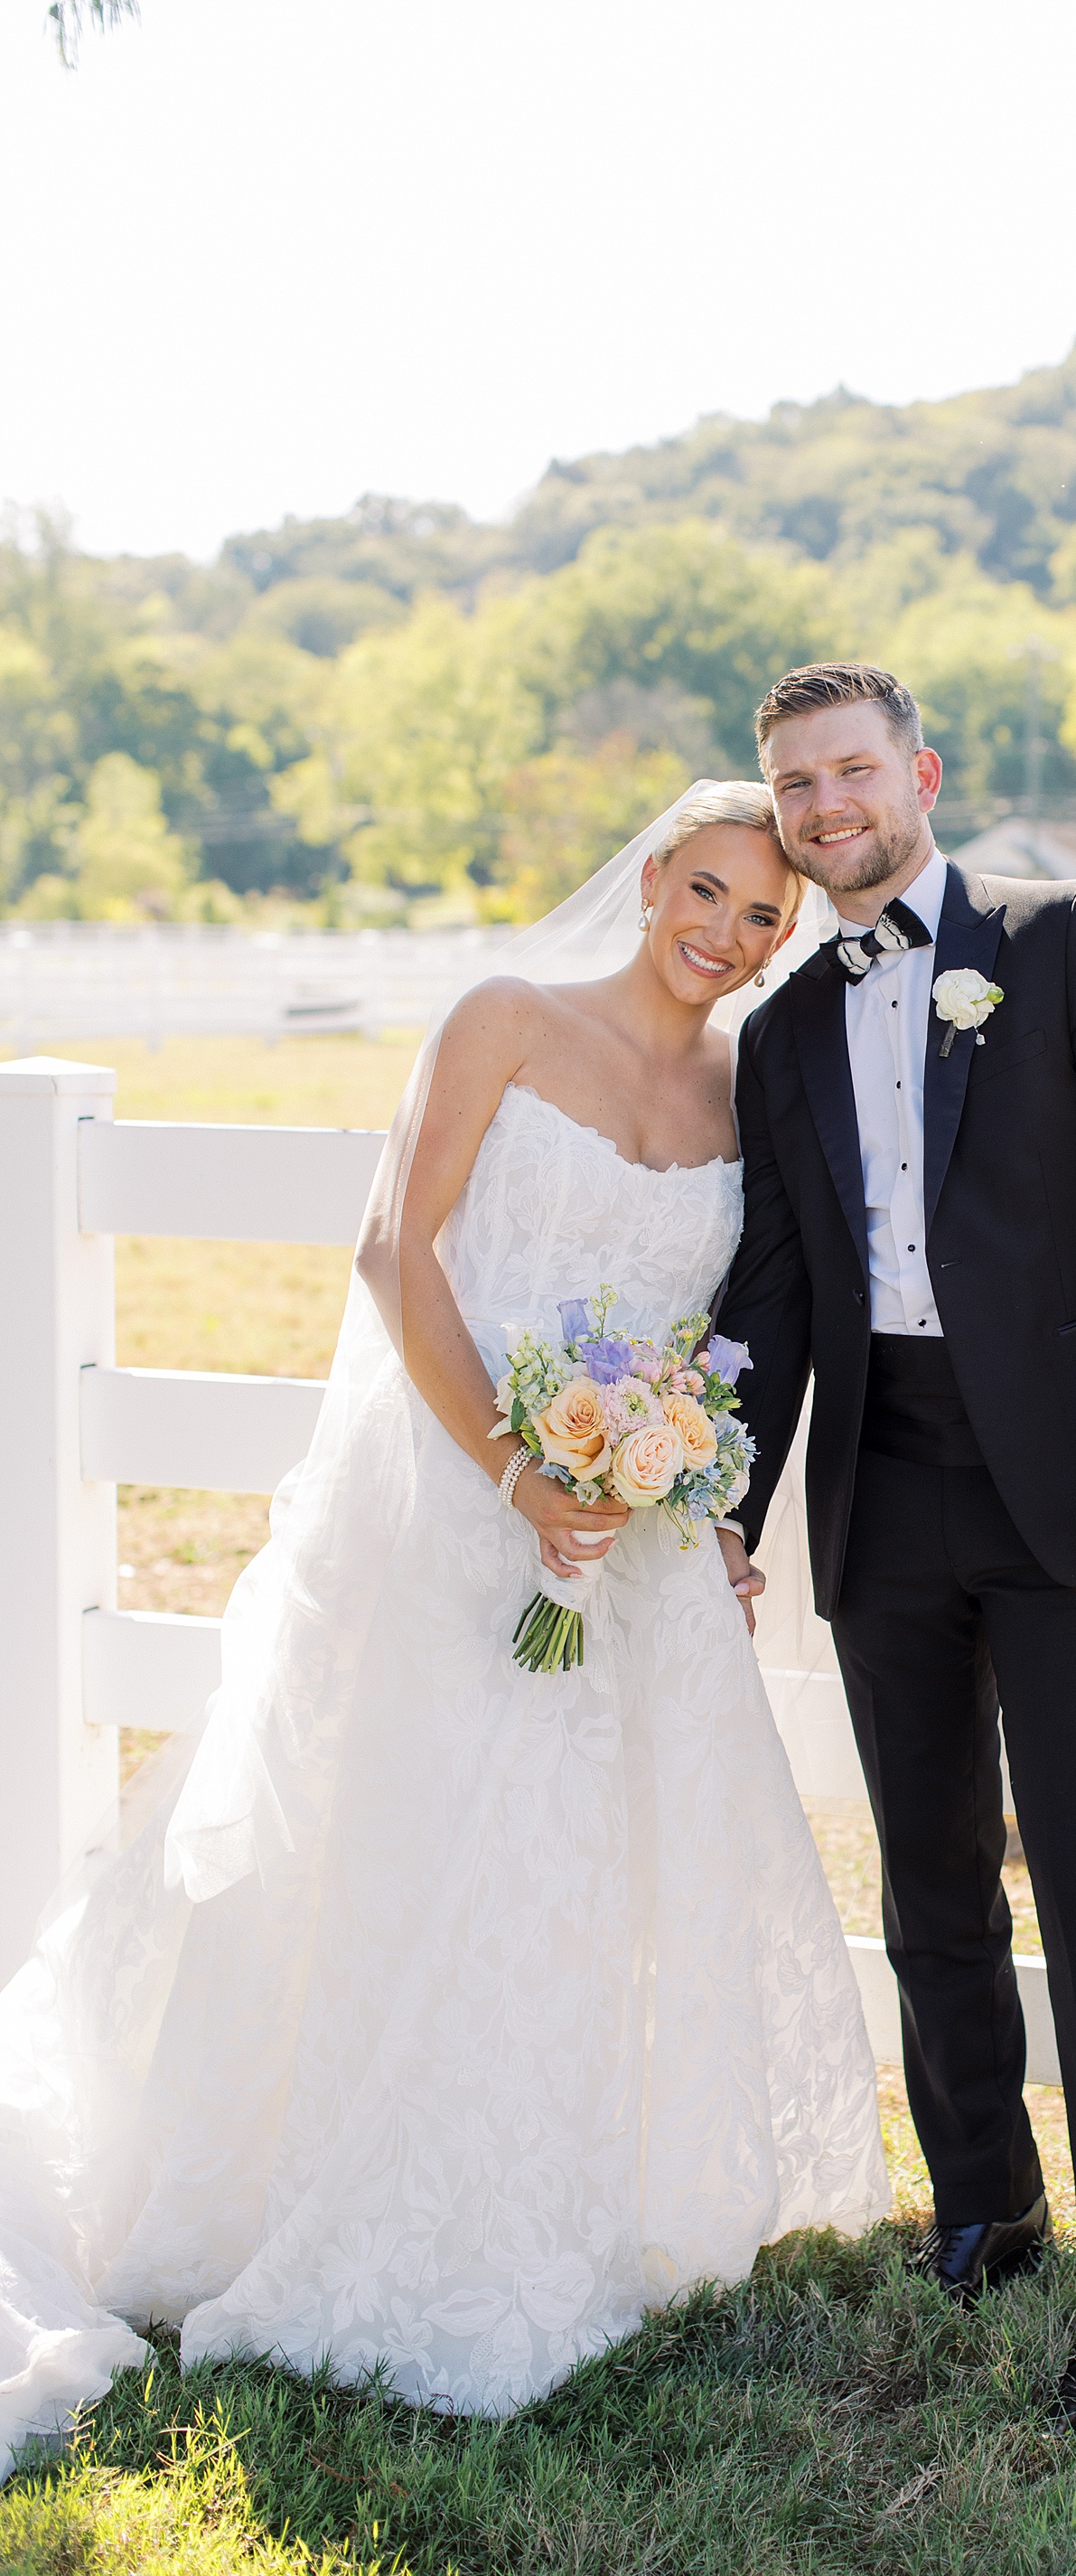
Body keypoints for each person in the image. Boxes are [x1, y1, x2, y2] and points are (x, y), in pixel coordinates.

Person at [0, 783, 887, 2478]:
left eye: (767, 916)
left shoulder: (745, 1086)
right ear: (651, 878)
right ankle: (325, 2188)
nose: (728, 933)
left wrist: (682, 1488)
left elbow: (729, 1327)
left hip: (626, 1540)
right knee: (399, 1841)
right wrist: (511, 1471)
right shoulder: (503, 1019)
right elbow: (394, 1246)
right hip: (449, 1509)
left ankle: (560, 2198)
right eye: (707, 891)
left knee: (586, 1867)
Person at [716, 665, 1076, 2426]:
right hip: (880, 1488)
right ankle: (984, 2206)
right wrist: (724, 1506)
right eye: (794, 783)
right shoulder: (785, 1029)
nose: (823, 804)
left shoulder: (1064, 930)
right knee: (928, 1875)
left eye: (850, 768)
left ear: (915, 773)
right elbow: (780, 1292)